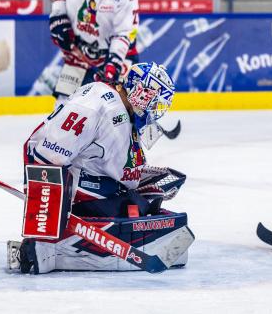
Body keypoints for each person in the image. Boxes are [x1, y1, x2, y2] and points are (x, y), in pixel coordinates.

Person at [12, 62, 192, 274]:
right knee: (135, 204)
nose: (155, 111)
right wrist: (46, 211)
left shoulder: (114, 100)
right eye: (155, 102)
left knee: (144, 202)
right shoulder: (107, 110)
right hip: (72, 182)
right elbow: (50, 154)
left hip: (83, 175)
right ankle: (53, 247)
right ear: (142, 93)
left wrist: (142, 177)